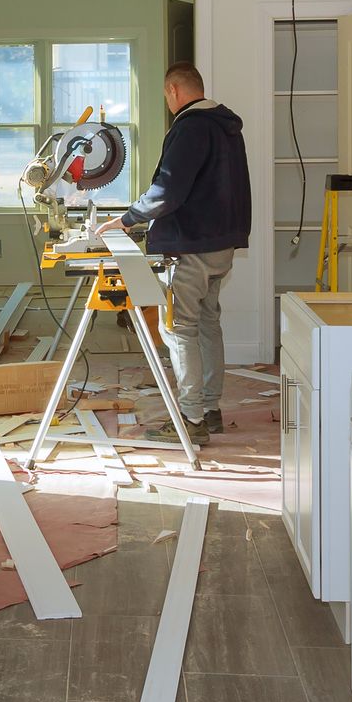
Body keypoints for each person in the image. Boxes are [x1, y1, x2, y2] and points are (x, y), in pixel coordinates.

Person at [96, 62, 251, 447]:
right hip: (221, 244)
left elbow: (168, 190)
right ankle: (210, 410)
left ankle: (191, 419)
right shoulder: (226, 127)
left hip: (191, 247)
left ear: (173, 91)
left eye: (166, 96)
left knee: (179, 328)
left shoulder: (189, 128)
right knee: (208, 322)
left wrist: (128, 219)